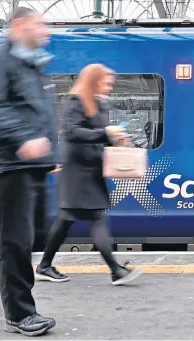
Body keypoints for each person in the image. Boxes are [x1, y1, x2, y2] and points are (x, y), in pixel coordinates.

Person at [0, 7, 60, 336]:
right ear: (20, 25)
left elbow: (44, 116)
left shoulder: (32, 65)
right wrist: (25, 139)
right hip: (7, 165)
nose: (46, 30)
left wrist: (54, 154)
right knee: (16, 241)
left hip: (33, 165)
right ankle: (21, 315)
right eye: (40, 24)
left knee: (36, 235)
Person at [34, 64, 142, 286]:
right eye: (105, 82)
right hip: (77, 171)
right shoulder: (74, 101)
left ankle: (45, 265)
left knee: (68, 220)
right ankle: (115, 270)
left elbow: (96, 135)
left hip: (90, 170)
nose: (109, 87)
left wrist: (116, 138)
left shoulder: (98, 103)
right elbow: (72, 132)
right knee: (94, 218)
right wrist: (105, 132)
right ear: (93, 80)